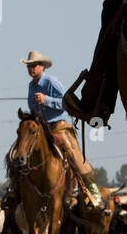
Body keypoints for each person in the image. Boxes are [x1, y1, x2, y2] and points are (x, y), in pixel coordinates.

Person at [20, 51, 103, 209]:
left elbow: (66, 101)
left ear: (42, 67)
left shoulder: (51, 82)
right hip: (40, 128)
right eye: (29, 66)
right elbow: (32, 106)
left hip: (57, 125)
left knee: (72, 153)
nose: (31, 68)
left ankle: (93, 192)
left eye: (34, 65)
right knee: (21, 147)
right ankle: (17, 190)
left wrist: (47, 100)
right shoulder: (31, 85)